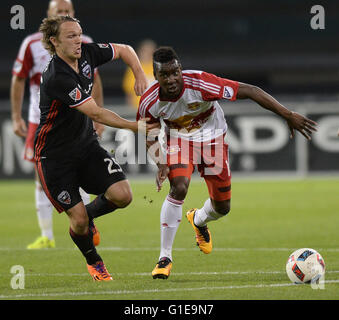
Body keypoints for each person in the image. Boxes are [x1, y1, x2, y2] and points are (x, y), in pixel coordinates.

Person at [137, 46, 318, 279]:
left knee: (222, 207)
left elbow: (251, 90)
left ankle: (198, 219)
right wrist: (160, 161)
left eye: (175, 72)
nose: (171, 79)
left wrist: (287, 114)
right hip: (179, 141)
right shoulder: (149, 101)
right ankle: (165, 257)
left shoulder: (201, 83)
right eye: (164, 75)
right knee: (179, 186)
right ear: (156, 75)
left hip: (213, 140)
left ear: (180, 69)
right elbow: (148, 130)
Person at [35, 15, 156, 281]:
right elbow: (97, 114)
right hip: (54, 158)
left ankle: (87, 217)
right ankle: (94, 261)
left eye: (79, 34)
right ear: (54, 42)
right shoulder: (57, 77)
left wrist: (138, 74)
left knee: (123, 195)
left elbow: (126, 50)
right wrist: (136, 126)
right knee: (76, 222)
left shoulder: (87, 53)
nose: (78, 40)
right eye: (70, 36)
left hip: (85, 146)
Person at [10, 0, 104, 250]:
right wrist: (17, 116)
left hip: (78, 119)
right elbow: (18, 79)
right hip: (40, 120)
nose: (63, 14)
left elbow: (95, 80)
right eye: (58, 12)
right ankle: (47, 235)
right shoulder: (31, 44)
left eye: (67, 12)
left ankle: (86, 221)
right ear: (49, 17)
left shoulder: (83, 42)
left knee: (82, 172)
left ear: (74, 15)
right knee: (43, 177)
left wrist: (97, 115)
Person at [122, 39, 156, 109]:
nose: (147, 54)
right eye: (145, 51)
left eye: (150, 52)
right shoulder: (133, 68)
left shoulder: (158, 68)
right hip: (138, 109)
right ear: (139, 52)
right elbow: (129, 93)